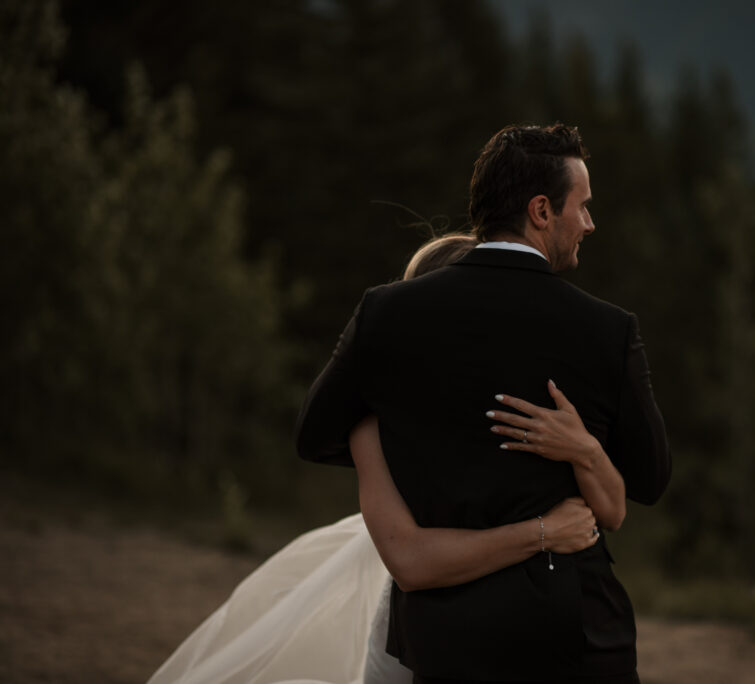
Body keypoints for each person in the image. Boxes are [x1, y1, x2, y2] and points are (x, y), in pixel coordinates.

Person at [147, 234, 623, 684]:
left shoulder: (526, 405)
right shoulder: (373, 420)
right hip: (425, 637)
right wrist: (544, 533)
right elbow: (411, 563)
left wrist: (584, 449)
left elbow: (611, 511)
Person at [296, 124, 671, 683]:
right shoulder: (607, 330)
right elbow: (650, 479)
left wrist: (402, 426)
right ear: (541, 210)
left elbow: (313, 433)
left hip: (447, 637)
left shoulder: (387, 313)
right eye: (583, 207)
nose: (589, 223)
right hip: (575, 633)